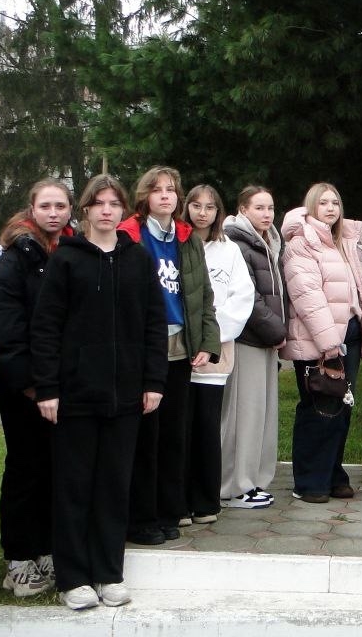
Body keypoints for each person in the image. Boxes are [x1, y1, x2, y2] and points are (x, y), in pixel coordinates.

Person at [30, 175, 166, 611]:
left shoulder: (139, 259)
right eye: (98, 203)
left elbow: (152, 324)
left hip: (126, 395)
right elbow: (46, 327)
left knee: (113, 484)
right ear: (84, 210)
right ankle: (73, 576)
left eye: (114, 203)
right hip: (74, 396)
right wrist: (48, 388)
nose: (106, 210)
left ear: (124, 210)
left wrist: (153, 381)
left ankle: (109, 571)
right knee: (74, 486)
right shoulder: (66, 260)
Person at [118, 168, 220, 545]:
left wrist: (207, 342)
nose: (165, 195)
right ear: (144, 194)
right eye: (157, 190)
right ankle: (140, 516)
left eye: (171, 190)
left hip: (179, 346)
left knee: (174, 436)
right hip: (144, 348)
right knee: (146, 435)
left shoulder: (186, 237)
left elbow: (202, 295)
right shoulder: (129, 234)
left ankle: (168, 510)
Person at [0, 179, 74, 599]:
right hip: (27, 387)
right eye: (46, 206)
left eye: (60, 205)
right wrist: (31, 384)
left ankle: (48, 549)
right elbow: (8, 328)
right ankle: (19, 558)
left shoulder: (71, 251)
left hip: (66, 382)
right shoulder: (15, 258)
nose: (53, 213)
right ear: (32, 209)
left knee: (57, 468)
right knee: (25, 469)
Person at [280, 183, 362, 503]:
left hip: (349, 335)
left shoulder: (347, 241)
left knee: (341, 407)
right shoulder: (301, 243)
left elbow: (356, 291)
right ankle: (309, 481)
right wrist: (329, 344)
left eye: (336, 202)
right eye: (323, 203)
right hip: (318, 340)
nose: (331, 208)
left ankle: (333, 474)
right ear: (310, 207)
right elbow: (307, 297)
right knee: (318, 408)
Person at [183, 185, 254, 524]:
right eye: (196, 205)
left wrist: (209, 339)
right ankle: (177, 501)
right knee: (179, 428)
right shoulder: (177, 245)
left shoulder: (229, 251)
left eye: (210, 207)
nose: (202, 213)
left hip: (214, 353)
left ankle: (205, 501)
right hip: (178, 351)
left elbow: (241, 299)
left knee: (206, 427)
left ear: (218, 212)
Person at [220, 186, 287, 510]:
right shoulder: (237, 241)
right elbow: (250, 298)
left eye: (270, 208)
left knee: (261, 414)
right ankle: (234, 486)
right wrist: (277, 330)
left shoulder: (269, 241)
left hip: (266, 340)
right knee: (242, 416)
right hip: (248, 339)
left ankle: (255, 480)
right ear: (243, 209)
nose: (266, 214)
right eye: (259, 207)